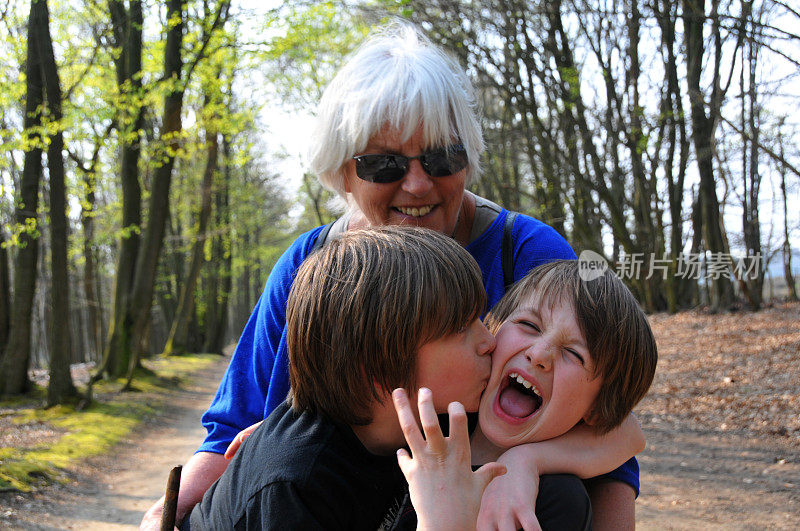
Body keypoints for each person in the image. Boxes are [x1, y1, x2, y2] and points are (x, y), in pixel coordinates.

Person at [141, 24, 638, 529]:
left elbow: (610, 418)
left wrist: (524, 463)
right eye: (383, 164)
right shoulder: (315, 267)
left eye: (443, 155)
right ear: (341, 173)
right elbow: (233, 426)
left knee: (558, 497)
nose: (418, 183)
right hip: (336, 503)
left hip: (443, 493)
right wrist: (166, 514)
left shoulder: (527, 255)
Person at [184, 227, 506, 529]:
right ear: (379, 364)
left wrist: (527, 465)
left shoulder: (439, 418)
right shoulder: (298, 485)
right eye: (461, 328)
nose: (489, 342)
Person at [392, 260, 658, 530]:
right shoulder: (431, 421)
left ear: (598, 409)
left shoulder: (556, 501)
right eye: (528, 325)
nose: (539, 354)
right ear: (493, 328)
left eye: (575, 354)